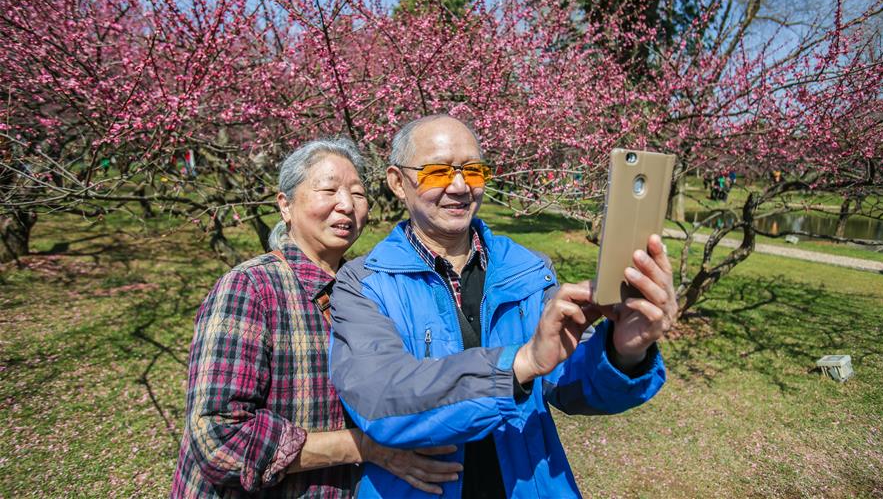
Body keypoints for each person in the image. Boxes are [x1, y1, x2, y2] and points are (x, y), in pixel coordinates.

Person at [329, 116, 677, 498]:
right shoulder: (364, 283)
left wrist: (623, 352)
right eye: (438, 171)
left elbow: (571, 387)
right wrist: (521, 363)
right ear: (398, 182)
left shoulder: (528, 269)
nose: (460, 186)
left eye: (473, 171)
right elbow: (380, 400)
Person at [170, 138, 461, 498]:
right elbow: (217, 438)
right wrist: (365, 447)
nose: (346, 205)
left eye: (357, 194)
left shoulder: (368, 288)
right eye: (328, 190)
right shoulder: (251, 288)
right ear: (285, 206)